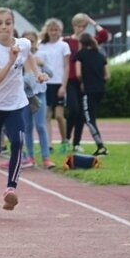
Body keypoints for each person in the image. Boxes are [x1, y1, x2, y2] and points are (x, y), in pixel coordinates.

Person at [0, 8, 48, 210]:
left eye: (8, 22)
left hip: (16, 104)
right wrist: (10, 60)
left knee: (17, 141)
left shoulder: (23, 44)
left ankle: (11, 189)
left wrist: (37, 74)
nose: (4, 27)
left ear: (13, 25)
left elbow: (29, 57)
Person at [64, 13, 109, 153]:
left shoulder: (88, 41)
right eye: (78, 25)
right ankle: (66, 138)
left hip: (86, 83)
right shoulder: (66, 41)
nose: (80, 28)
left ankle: (76, 143)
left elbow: (104, 36)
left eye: (83, 26)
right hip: (71, 81)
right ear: (73, 26)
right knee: (74, 110)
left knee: (82, 115)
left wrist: (92, 21)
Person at [36, 18, 70, 153]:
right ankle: (48, 145)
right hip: (47, 84)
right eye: (51, 30)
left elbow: (67, 67)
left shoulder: (64, 46)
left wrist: (64, 86)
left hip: (58, 83)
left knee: (59, 115)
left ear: (60, 31)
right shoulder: (42, 46)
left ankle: (65, 140)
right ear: (47, 31)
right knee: (47, 116)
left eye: (56, 30)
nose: (54, 32)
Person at [21, 31, 54, 169]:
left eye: (32, 41)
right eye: (26, 41)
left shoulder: (41, 56)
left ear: (36, 42)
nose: (30, 44)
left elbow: (51, 74)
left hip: (39, 95)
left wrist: (43, 65)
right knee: (27, 127)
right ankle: (30, 157)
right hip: (25, 96)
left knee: (40, 126)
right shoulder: (19, 58)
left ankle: (46, 157)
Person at [74, 33, 110, 156]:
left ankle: (101, 147)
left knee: (89, 119)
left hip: (89, 90)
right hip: (100, 89)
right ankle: (99, 146)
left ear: (81, 43)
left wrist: (83, 82)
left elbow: (78, 73)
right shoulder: (100, 55)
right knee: (91, 116)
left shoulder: (80, 55)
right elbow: (107, 75)